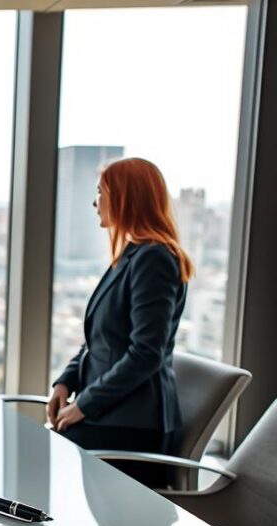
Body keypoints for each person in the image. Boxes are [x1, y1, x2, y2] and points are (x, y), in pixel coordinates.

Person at [48, 158, 194, 485]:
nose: (94, 202)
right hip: (113, 414)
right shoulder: (132, 255)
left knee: (37, 464)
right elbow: (99, 339)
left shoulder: (153, 258)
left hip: (132, 426)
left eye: (101, 192)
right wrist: (66, 382)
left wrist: (84, 404)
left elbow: (146, 353)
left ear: (125, 197)